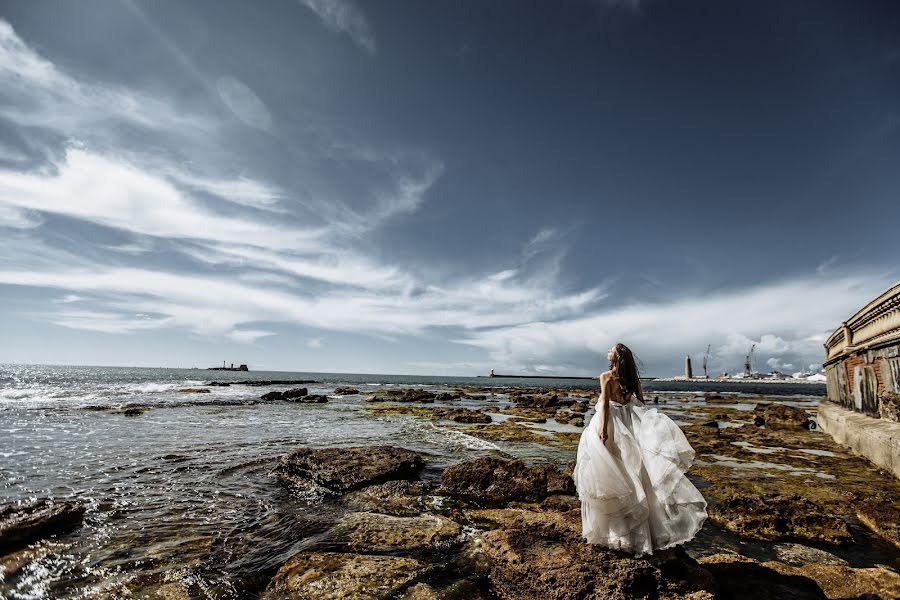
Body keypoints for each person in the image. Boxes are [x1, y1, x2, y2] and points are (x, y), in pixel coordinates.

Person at [572, 343, 707, 556]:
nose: (607, 350)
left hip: (610, 424)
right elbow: (642, 404)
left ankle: (617, 533)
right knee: (632, 472)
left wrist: (603, 431)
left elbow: (605, 405)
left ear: (616, 357)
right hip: (629, 424)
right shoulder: (632, 379)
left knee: (613, 474)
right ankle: (638, 535)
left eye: (611, 349)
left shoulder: (606, 376)